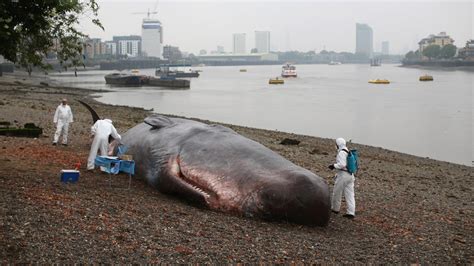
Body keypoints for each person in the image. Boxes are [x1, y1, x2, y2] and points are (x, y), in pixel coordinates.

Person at [328, 137, 356, 219]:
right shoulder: (348, 151)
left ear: (338, 144)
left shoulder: (341, 152)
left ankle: (335, 209)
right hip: (351, 175)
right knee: (350, 194)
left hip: (343, 175)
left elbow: (342, 164)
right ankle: (351, 212)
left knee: (337, 192)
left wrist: (333, 166)